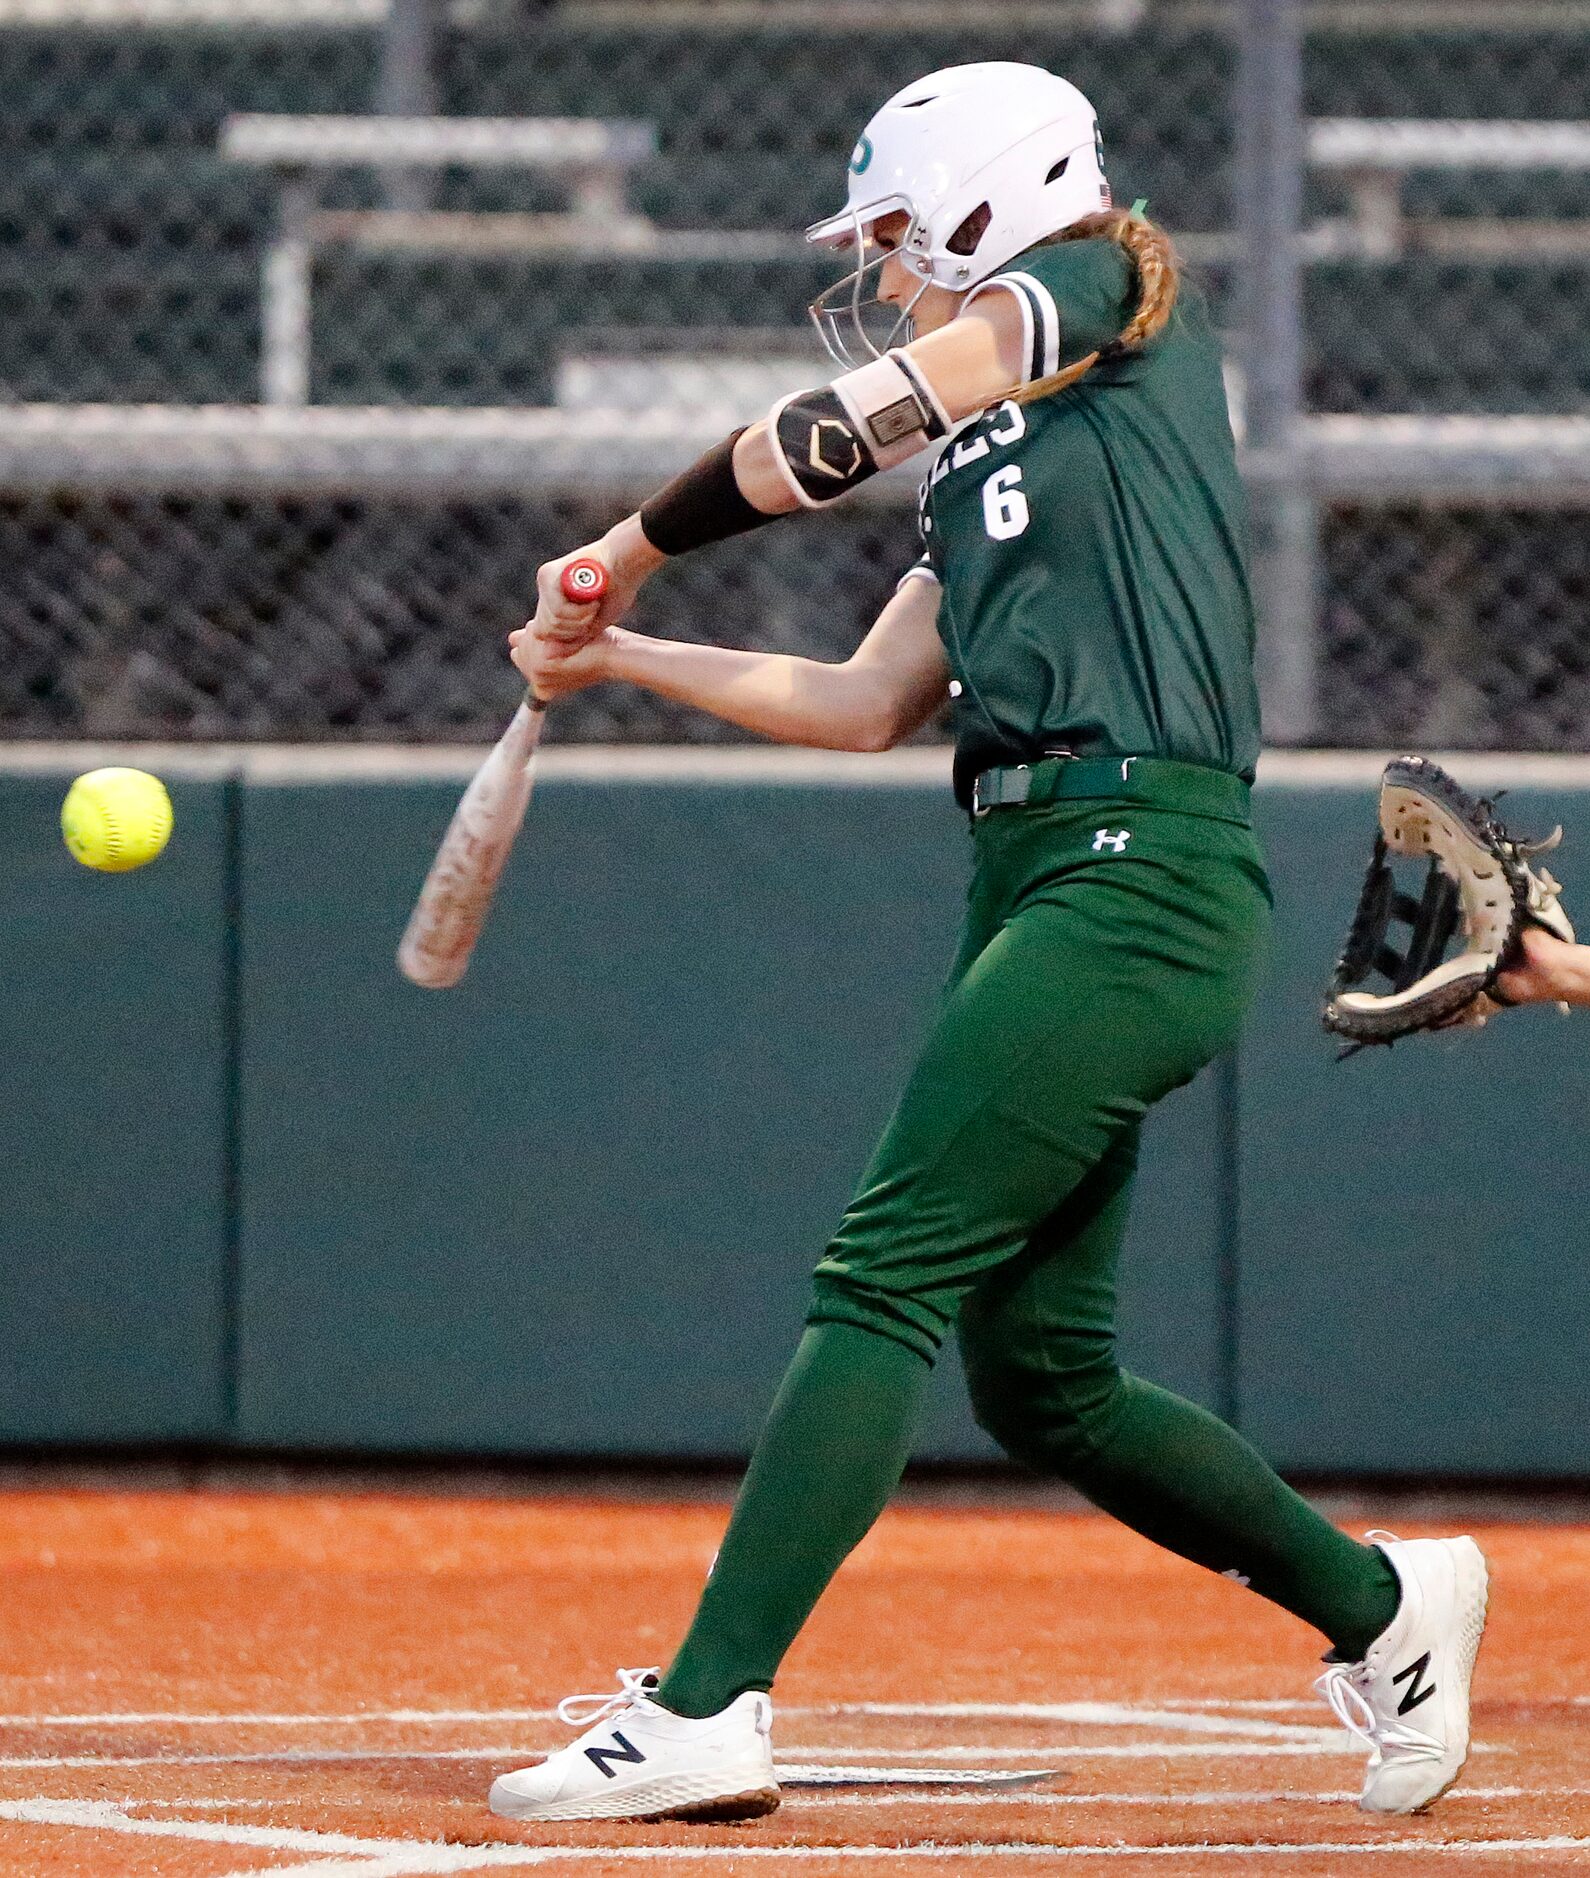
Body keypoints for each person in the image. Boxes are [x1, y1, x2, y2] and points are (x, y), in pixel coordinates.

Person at [487, 63, 1486, 1827]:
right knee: (1044, 1380)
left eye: (895, 238)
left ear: (983, 204)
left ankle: (711, 1707)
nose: (883, 275)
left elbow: (835, 428)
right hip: (1030, 868)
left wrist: (632, 546)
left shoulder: (1109, 284)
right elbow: (868, 699)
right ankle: (1383, 1603)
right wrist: (622, 660)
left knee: (882, 1273)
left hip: (1140, 865)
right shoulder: (988, 458)